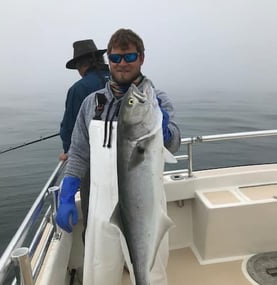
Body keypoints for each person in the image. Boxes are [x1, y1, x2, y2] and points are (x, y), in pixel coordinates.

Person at [56, 28, 181, 285]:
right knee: (99, 273)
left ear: (142, 58)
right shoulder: (92, 102)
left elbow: (175, 142)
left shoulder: (156, 100)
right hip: (101, 207)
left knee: (151, 272)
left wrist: (164, 130)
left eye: (129, 56)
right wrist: (67, 191)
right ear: (108, 60)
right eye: (115, 58)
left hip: (146, 204)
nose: (122, 64)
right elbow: (79, 151)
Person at [59, 39, 110, 161]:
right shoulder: (120, 80)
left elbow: (69, 127)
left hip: (92, 158)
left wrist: (68, 152)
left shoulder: (79, 88)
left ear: (80, 66)